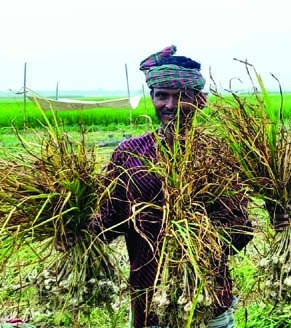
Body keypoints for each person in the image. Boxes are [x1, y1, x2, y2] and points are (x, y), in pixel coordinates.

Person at [92, 45, 253, 328]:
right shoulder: (130, 153)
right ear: (152, 97)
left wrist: (197, 236)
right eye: (161, 95)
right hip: (148, 297)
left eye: (181, 96)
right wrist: (74, 227)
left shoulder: (219, 156)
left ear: (200, 100)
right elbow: (109, 220)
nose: (170, 105)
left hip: (207, 298)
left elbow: (239, 233)